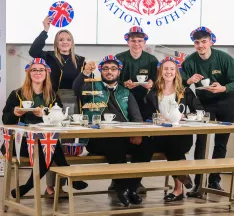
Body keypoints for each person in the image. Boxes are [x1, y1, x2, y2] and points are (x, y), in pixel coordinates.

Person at [72, 55, 153, 207]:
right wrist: (85, 73)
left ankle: (132, 187)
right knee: (116, 144)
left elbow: (136, 117)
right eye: (106, 69)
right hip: (96, 139)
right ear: (101, 71)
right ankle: (122, 188)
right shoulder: (91, 86)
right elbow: (76, 88)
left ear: (119, 72)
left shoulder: (125, 92)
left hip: (123, 137)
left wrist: (138, 133)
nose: (109, 72)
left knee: (146, 144)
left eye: (113, 69)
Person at [1, 58, 87, 198]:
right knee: (49, 147)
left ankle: (27, 187)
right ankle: (70, 175)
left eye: (41, 70)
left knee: (48, 146)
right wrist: (14, 113)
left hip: (43, 142)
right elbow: (5, 121)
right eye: (34, 70)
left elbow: (59, 121)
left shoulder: (52, 95)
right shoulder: (17, 94)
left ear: (46, 73)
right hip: (18, 142)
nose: (37, 73)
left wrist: (45, 114)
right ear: (28, 73)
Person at [181, 27, 234, 197]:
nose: (200, 45)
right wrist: (188, 80)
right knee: (201, 142)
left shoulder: (224, 58)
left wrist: (224, 88)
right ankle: (199, 183)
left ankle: (214, 180)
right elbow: (179, 83)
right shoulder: (190, 61)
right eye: (196, 42)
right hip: (205, 104)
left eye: (203, 42)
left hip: (226, 102)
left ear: (211, 41)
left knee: (221, 142)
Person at [29, 17, 86, 195]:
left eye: (67, 39)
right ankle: (50, 186)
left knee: (67, 145)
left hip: (73, 102)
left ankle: (61, 185)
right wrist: (45, 30)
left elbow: (83, 84)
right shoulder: (48, 56)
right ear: (56, 42)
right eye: (61, 39)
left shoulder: (80, 59)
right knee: (53, 143)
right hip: (52, 101)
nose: (64, 42)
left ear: (72, 42)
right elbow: (33, 50)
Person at [143, 57, 204, 202]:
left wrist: (185, 116)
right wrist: (156, 118)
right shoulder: (153, 92)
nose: (168, 72)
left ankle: (178, 190)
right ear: (160, 72)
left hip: (180, 134)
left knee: (173, 147)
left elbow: (199, 111)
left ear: (176, 72)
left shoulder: (185, 91)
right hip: (159, 135)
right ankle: (181, 181)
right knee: (156, 147)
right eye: (165, 69)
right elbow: (145, 113)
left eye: (172, 69)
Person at [115, 26, 158, 193]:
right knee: (121, 141)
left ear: (145, 42)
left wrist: (151, 84)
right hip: (122, 104)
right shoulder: (119, 58)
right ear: (128, 41)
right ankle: (117, 180)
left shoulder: (152, 60)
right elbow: (110, 79)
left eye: (140, 40)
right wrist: (123, 84)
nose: (136, 43)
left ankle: (136, 180)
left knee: (143, 142)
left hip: (144, 103)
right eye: (133, 40)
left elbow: (158, 81)